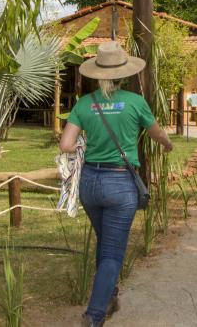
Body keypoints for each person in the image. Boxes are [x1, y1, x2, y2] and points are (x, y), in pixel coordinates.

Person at [59, 41, 174, 327]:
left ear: (98, 74)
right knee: (112, 252)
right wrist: (167, 144)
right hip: (120, 184)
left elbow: (66, 144)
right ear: (123, 74)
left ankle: (109, 295)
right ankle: (94, 315)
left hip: (90, 184)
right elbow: (156, 132)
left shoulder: (84, 104)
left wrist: (86, 145)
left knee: (105, 242)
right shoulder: (135, 102)